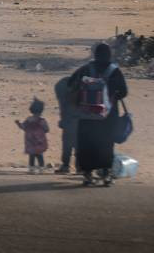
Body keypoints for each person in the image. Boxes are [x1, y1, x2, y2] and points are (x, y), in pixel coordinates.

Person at [69, 42, 128, 186]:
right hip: (108, 116)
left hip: (87, 115)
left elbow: (70, 83)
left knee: (87, 144)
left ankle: (88, 175)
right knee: (106, 145)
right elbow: (124, 92)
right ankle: (106, 175)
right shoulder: (114, 71)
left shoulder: (86, 68)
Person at [53, 75, 80, 173]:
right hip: (81, 122)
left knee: (67, 145)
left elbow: (63, 109)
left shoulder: (62, 88)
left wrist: (63, 121)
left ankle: (65, 166)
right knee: (79, 146)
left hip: (69, 122)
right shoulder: (80, 90)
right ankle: (79, 167)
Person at [15, 98, 50, 173]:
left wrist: (18, 123)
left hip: (30, 142)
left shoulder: (28, 120)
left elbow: (23, 127)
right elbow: (47, 129)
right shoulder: (42, 121)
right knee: (40, 155)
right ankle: (41, 169)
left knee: (32, 156)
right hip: (39, 142)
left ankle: (31, 169)